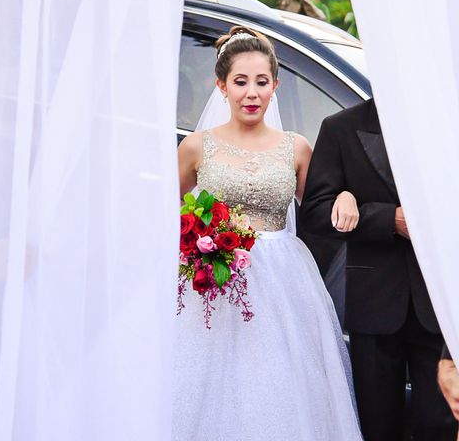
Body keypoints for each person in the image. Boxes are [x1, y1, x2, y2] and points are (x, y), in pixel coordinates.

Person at [173, 26, 362, 440]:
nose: (251, 93)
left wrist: (346, 194)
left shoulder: (296, 147)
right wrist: (196, 241)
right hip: (216, 284)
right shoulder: (195, 147)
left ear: (275, 85)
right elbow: (165, 214)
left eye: (261, 82)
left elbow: (318, 208)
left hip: (285, 283)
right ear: (221, 86)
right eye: (240, 82)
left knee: (280, 385)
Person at [300, 99, 458, 440]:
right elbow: (314, 212)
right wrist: (387, 220)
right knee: (378, 427)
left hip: (436, 305)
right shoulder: (339, 127)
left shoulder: (444, 123)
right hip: (373, 306)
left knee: (439, 425)